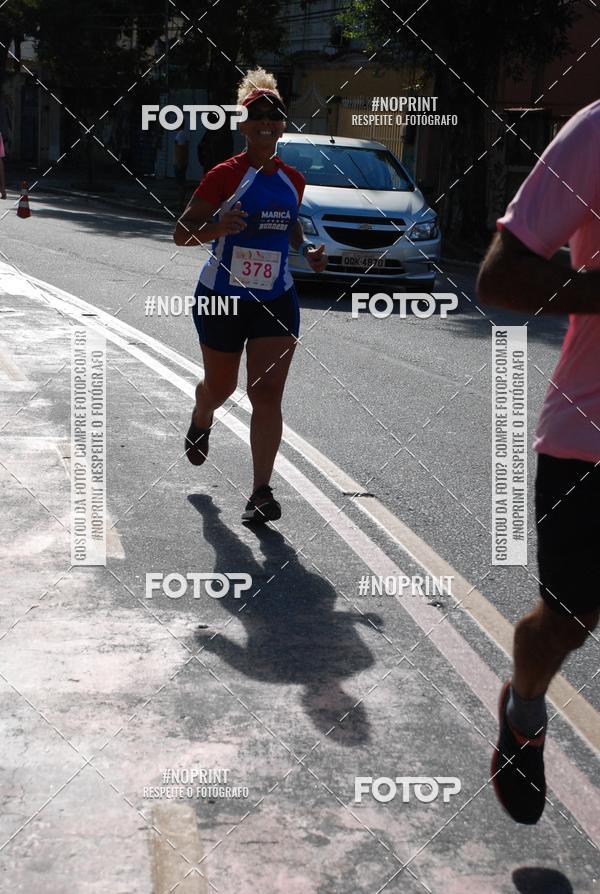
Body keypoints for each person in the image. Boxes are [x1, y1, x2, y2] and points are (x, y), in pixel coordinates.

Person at [477, 99, 600, 825]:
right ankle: (524, 709)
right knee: (565, 623)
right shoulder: (595, 133)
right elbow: (499, 279)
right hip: (589, 440)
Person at [173, 68, 327, 523]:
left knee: (268, 393)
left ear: (283, 124)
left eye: (274, 115)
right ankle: (203, 413)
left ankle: (261, 491)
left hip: (275, 299)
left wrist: (307, 249)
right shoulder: (224, 175)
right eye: (256, 115)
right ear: (243, 125)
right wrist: (219, 227)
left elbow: (289, 222)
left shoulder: (292, 180)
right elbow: (181, 233)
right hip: (221, 297)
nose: (266, 122)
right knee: (222, 387)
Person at [173, 124, 189, 208]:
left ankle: (180, 202)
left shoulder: (181, 135)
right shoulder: (182, 134)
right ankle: (180, 201)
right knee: (180, 182)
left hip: (179, 163)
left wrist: (179, 162)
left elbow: (181, 150)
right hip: (180, 162)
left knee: (180, 183)